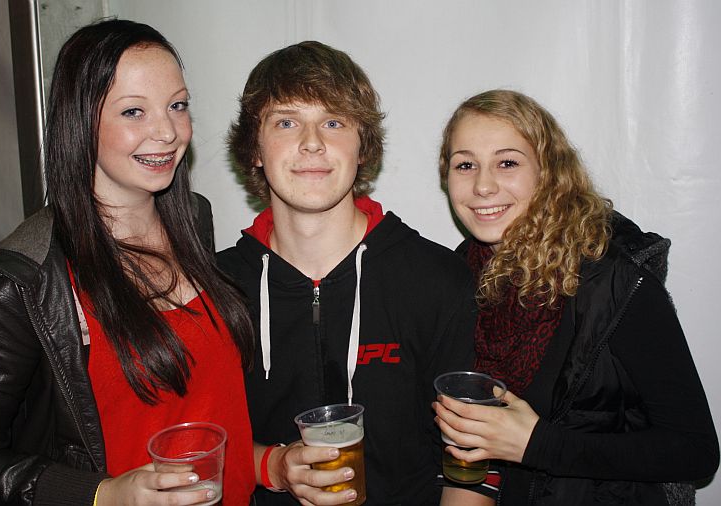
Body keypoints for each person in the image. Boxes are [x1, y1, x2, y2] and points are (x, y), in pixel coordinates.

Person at [0, 19, 255, 506]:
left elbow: (211, 402)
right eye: (133, 111)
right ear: (81, 122)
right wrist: (103, 493)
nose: (167, 132)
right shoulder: (19, 281)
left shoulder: (194, 219)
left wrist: (271, 463)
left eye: (177, 105)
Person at [218, 41, 476, 506]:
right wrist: (272, 466)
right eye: (286, 122)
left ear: (363, 148)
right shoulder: (214, 288)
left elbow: (470, 467)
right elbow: (193, 443)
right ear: (255, 148)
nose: (312, 142)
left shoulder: (438, 280)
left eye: (333, 122)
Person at [433, 89, 719, 505]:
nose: (483, 185)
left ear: (548, 172)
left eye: (507, 162)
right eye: (465, 165)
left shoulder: (615, 283)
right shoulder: (458, 278)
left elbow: (696, 452)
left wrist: (539, 445)